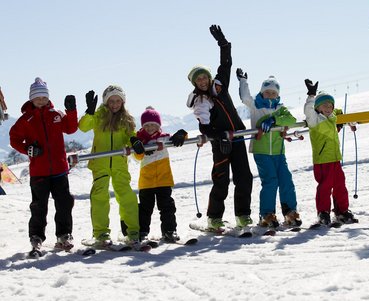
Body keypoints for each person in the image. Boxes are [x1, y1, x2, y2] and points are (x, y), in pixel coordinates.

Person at [186, 25, 253, 230]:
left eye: (204, 77)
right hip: (221, 143)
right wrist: (220, 136)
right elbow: (204, 128)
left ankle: (243, 215)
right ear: (195, 83)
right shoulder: (200, 101)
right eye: (198, 79)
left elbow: (226, 64)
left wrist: (223, 43)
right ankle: (214, 218)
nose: (203, 81)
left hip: (238, 137)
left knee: (244, 177)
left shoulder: (219, 85)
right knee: (221, 181)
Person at [9, 77, 77, 251]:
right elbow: (14, 138)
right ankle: (36, 237)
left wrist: (71, 111)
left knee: (64, 203)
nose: (41, 100)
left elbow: (70, 128)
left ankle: (64, 235)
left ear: (48, 98)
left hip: (60, 169)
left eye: (44, 97)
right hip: (39, 172)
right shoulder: (26, 119)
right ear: (31, 99)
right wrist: (28, 149)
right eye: (38, 98)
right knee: (39, 207)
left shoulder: (56, 114)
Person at [78, 85, 146, 248]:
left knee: (126, 196)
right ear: (106, 101)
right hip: (100, 163)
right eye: (111, 101)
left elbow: (131, 136)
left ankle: (133, 232)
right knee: (100, 196)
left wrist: (134, 141)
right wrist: (89, 112)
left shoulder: (126, 119)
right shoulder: (99, 116)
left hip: (119, 163)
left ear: (123, 102)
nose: (115, 104)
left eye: (118, 101)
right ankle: (101, 234)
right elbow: (83, 127)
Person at [237, 69, 301, 228]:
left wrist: (274, 119)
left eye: (273, 92)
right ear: (262, 92)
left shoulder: (280, 108)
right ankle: (266, 214)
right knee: (270, 181)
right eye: (267, 92)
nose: (270, 95)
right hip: (262, 151)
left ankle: (290, 211)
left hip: (279, 152)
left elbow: (291, 120)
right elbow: (245, 97)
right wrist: (243, 81)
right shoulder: (256, 105)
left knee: (286, 179)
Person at [126, 106, 187, 242]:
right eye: (146, 125)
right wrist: (139, 148)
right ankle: (142, 232)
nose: (150, 128)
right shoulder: (140, 141)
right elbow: (137, 158)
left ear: (158, 125)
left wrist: (182, 134)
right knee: (145, 209)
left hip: (164, 180)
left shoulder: (164, 138)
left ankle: (169, 230)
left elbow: (178, 139)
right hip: (147, 182)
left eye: (153, 125)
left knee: (167, 207)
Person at [304, 79, 358, 225]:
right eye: (324, 105)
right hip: (322, 161)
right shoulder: (315, 120)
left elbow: (340, 114)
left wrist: (349, 121)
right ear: (318, 107)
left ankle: (342, 211)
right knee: (325, 187)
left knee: (340, 185)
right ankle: (323, 212)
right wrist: (311, 95)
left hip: (335, 159)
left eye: (330, 105)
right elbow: (308, 110)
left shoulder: (333, 118)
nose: (328, 108)